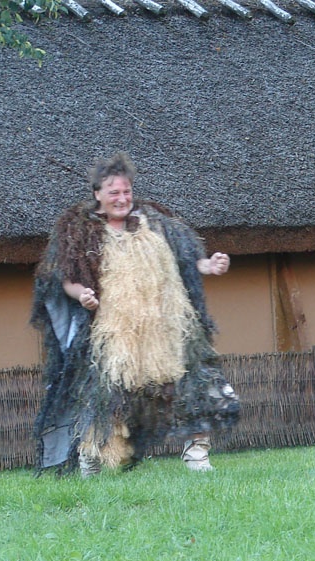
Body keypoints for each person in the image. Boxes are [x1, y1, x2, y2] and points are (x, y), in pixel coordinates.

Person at [31, 151, 240, 477]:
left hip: (167, 326)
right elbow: (65, 278)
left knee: (193, 386)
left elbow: (184, 258)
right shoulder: (80, 229)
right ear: (97, 193)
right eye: (114, 192)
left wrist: (208, 266)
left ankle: (197, 455)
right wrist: (82, 294)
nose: (122, 198)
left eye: (126, 191)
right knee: (106, 399)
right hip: (114, 332)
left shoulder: (153, 220)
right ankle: (92, 460)